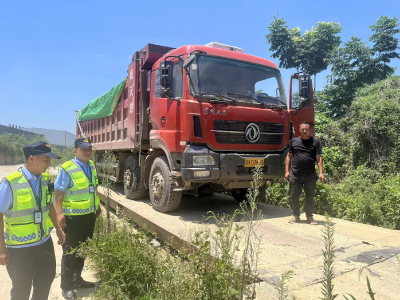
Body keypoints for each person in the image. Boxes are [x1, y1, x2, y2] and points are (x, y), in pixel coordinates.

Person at [0, 141, 65, 300]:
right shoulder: (10, 183)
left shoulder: (45, 179)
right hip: (20, 249)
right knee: (21, 291)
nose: (49, 163)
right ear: (31, 158)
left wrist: (58, 229)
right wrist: (2, 249)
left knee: (44, 284)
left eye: (50, 159)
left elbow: (49, 206)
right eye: (46, 159)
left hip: (44, 244)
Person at [54, 137, 101, 300]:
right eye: (83, 148)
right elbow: (59, 193)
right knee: (69, 252)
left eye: (89, 148)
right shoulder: (67, 169)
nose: (87, 151)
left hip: (89, 216)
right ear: (75, 151)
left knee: (83, 250)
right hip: (72, 218)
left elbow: (92, 189)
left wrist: (97, 206)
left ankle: (77, 279)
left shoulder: (92, 166)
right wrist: (59, 214)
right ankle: (66, 286)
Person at [285, 122, 325, 225]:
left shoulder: (315, 142)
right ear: (299, 130)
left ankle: (309, 217)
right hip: (295, 174)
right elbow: (289, 156)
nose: (304, 131)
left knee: (310, 197)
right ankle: (296, 215)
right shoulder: (294, 141)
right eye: (302, 129)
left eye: (306, 129)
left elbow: (318, 158)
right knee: (294, 196)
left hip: (310, 175)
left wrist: (321, 173)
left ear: (310, 130)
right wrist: (286, 171)